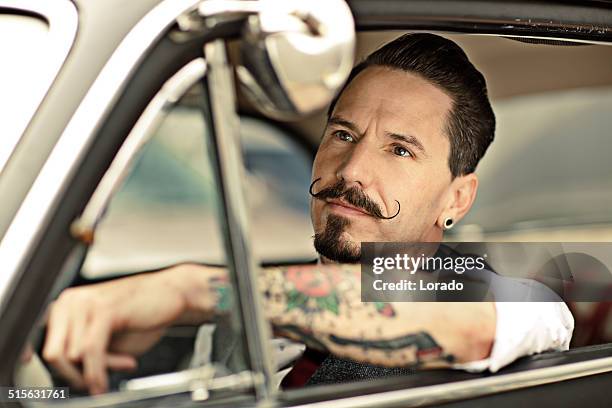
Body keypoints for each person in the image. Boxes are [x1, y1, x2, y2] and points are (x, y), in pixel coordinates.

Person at [40, 34, 573, 395]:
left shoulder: (526, 305)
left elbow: (464, 325)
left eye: (400, 150)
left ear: (456, 198)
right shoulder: (255, 320)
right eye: (343, 134)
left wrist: (191, 291)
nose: (353, 168)